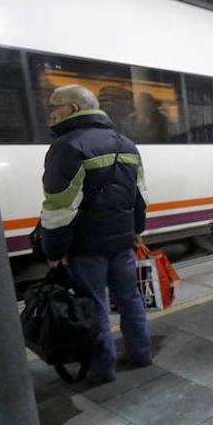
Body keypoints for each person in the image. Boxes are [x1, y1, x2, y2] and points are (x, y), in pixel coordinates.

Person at [38, 84, 151, 384]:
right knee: (130, 298)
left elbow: (60, 208)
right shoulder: (127, 144)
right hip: (122, 241)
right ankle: (141, 352)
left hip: (87, 247)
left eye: (54, 107)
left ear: (73, 109)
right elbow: (140, 196)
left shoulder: (67, 147)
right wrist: (136, 231)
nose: (49, 114)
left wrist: (53, 250)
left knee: (94, 303)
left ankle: (103, 368)